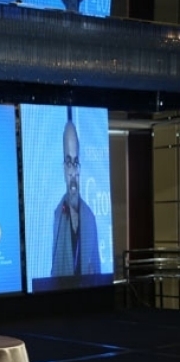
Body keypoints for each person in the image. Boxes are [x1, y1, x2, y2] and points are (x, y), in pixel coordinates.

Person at [50, 118, 100, 277]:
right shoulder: (58, 215)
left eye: (75, 162)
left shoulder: (90, 217)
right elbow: (55, 271)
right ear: (63, 169)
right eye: (68, 162)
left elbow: (97, 271)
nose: (72, 170)